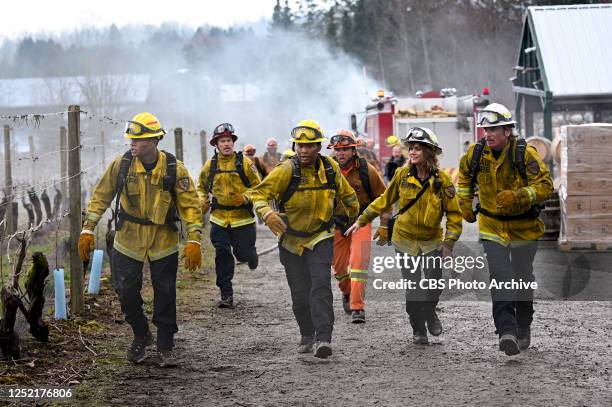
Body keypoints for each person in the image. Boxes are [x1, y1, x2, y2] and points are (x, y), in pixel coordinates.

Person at [78, 112, 202, 367]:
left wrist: (194, 239)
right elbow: (101, 196)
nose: (132, 143)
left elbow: (190, 206)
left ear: (155, 140)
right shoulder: (121, 165)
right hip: (128, 239)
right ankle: (141, 333)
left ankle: (166, 344)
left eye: (138, 139)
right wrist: (88, 228)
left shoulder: (174, 169)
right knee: (125, 290)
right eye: (131, 138)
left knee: (165, 292)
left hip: (163, 240)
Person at [247, 119, 359, 358]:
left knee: (320, 286)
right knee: (300, 293)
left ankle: (323, 338)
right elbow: (258, 194)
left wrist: (352, 220)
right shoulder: (286, 169)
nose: (303, 150)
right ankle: (307, 333)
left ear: (318, 147)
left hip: (321, 236)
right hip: (291, 241)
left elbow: (349, 196)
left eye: (309, 146)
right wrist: (266, 213)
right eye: (299, 145)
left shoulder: (330, 168)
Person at [346, 126, 462, 344]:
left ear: (429, 152)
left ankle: (429, 312)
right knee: (414, 288)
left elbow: (454, 215)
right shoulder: (401, 175)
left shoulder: (443, 181)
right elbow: (384, 201)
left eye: (418, 148)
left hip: (431, 242)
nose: (413, 152)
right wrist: (362, 220)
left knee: (434, 285)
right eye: (411, 148)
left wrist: (449, 244)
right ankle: (418, 329)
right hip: (405, 240)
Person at [457, 103, 552, 356]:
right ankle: (506, 332)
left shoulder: (525, 154)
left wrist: (519, 196)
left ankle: (523, 326)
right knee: (500, 275)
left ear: (507, 131)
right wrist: (465, 203)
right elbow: (464, 176)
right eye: (485, 129)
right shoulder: (476, 153)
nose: (487, 134)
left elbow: (545, 186)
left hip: (524, 228)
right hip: (492, 226)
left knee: (522, 277)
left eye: (493, 130)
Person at [197, 123, 261, 309]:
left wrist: (245, 197)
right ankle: (226, 293)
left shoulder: (245, 164)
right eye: (222, 141)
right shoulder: (211, 165)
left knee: (242, 254)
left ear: (233, 142)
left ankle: (250, 254)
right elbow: (200, 186)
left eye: (229, 140)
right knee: (223, 253)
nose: (226, 144)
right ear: (216, 144)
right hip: (219, 219)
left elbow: (260, 188)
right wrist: (202, 200)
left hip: (243, 220)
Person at [327, 130, 388, 323]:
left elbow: (384, 198)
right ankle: (346, 292)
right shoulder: (326, 169)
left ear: (354, 150)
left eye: (345, 149)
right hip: (335, 223)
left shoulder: (366, 170)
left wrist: (385, 225)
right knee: (339, 268)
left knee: (359, 263)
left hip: (360, 221)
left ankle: (357, 307)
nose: (341, 153)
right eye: (338, 150)